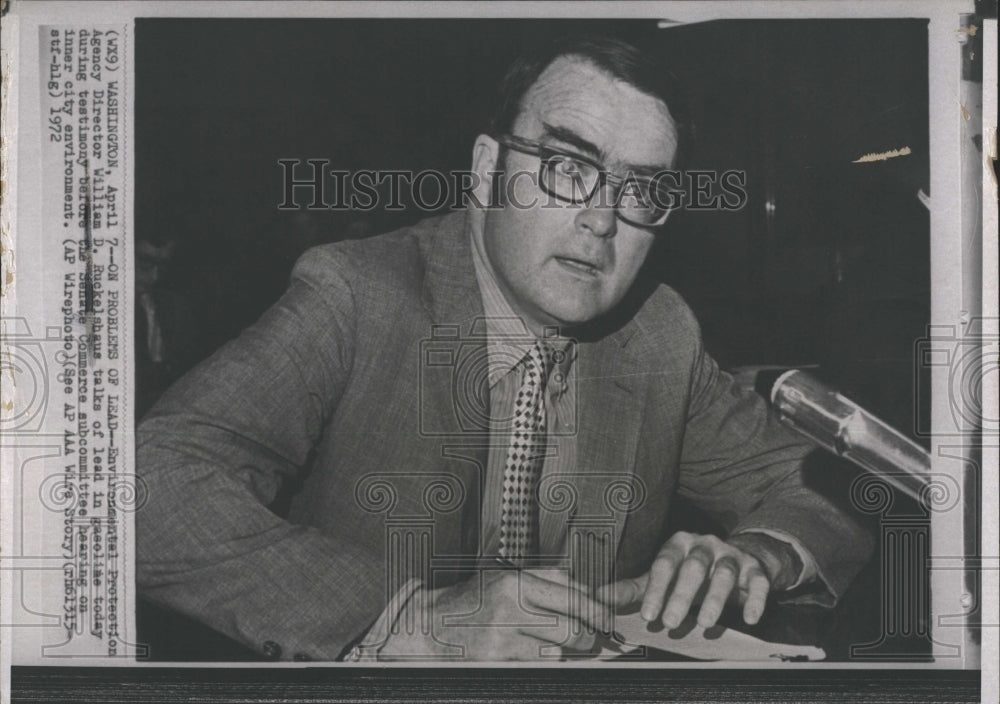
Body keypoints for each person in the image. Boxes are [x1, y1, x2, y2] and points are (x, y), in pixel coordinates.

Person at [136, 35, 872, 662]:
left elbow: (837, 485)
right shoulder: (359, 295)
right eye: (568, 165)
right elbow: (148, 487)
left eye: (641, 191)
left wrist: (755, 556)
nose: (601, 220)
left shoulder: (658, 331)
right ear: (488, 169)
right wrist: (412, 622)